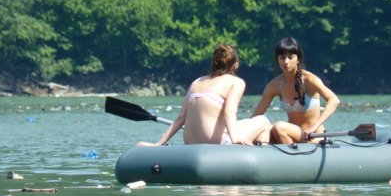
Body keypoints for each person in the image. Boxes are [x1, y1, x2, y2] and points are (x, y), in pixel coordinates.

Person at [136, 45, 271, 146]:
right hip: (215, 143)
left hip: (190, 143)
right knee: (263, 121)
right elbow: (229, 112)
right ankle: (261, 155)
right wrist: (235, 139)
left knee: (247, 122)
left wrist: (158, 144)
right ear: (236, 64)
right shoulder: (236, 82)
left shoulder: (197, 82)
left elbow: (180, 118)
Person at [252, 37, 340, 144]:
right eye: (282, 57)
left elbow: (334, 100)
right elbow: (256, 116)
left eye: (290, 57)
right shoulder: (274, 85)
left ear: (298, 59)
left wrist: (315, 127)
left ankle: (294, 156)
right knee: (264, 131)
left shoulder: (310, 80)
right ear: (277, 60)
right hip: (291, 136)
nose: (286, 62)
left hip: (313, 135)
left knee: (279, 127)